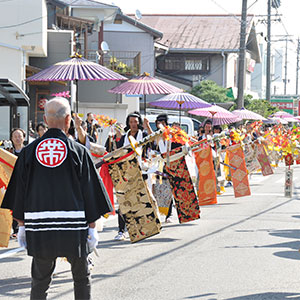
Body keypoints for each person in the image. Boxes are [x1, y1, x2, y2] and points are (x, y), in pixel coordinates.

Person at [1, 97, 112, 300]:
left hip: (40, 227)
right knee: (81, 278)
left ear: (45, 118)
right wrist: (92, 228)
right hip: (74, 227)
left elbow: (19, 192)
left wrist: (22, 226)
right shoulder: (79, 151)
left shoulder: (28, 152)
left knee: (40, 282)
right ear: (68, 119)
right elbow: (90, 192)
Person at [114, 112, 151, 240]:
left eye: (135, 121)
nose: (133, 124)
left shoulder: (144, 135)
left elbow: (153, 142)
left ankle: (144, 229)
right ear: (128, 123)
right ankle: (121, 230)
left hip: (140, 172)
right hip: (126, 173)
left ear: (138, 122)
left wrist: (148, 126)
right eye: (131, 122)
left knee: (142, 202)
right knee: (123, 202)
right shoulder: (124, 138)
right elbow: (118, 153)